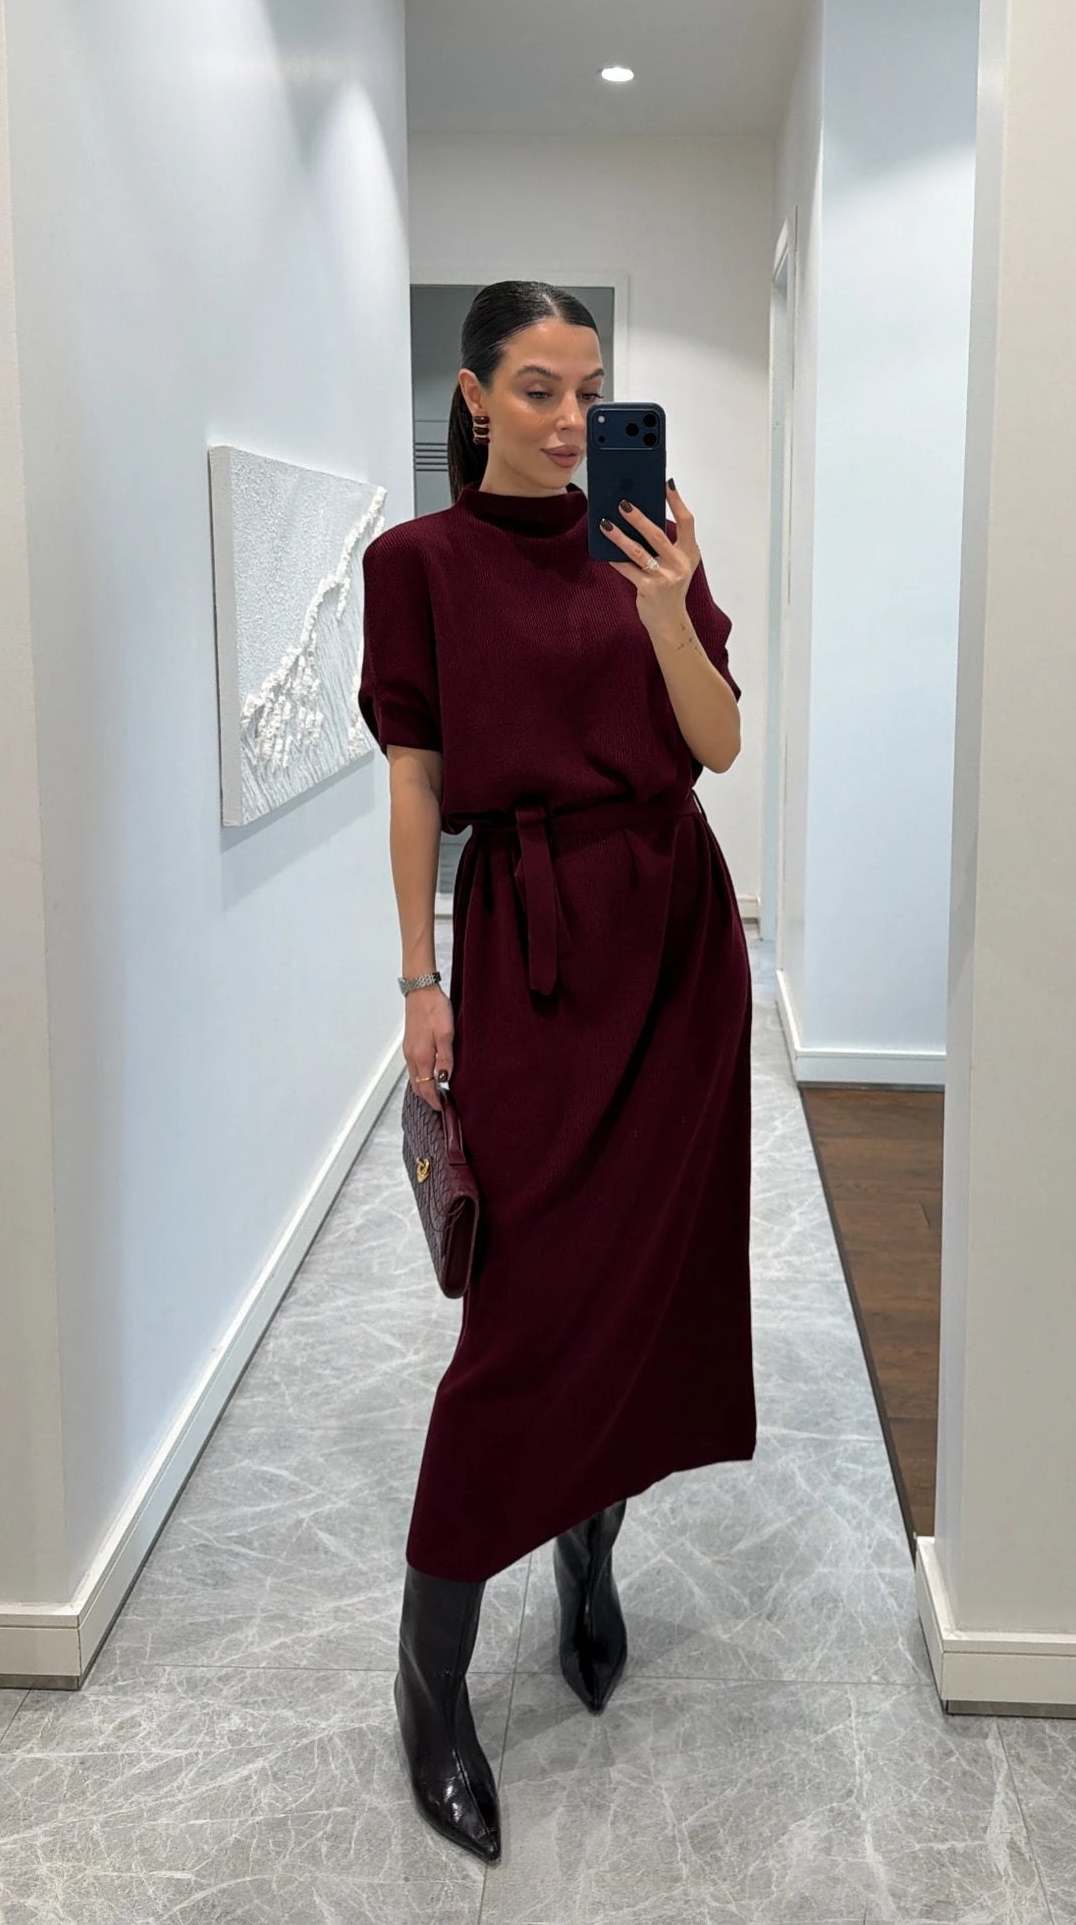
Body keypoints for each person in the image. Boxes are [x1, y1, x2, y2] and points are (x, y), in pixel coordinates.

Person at [357, 280, 756, 1864]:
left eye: (590, 388)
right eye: (538, 388)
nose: (574, 417)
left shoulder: (652, 534)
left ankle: (590, 1557)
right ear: (473, 398)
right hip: (529, 945)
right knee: (520, 1320)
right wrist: (419, 978)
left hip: (675, 945)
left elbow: (718, 744)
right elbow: (417, 780)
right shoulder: (418, 567)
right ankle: (429, 1682)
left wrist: (666, 606)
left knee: (643, 1291)